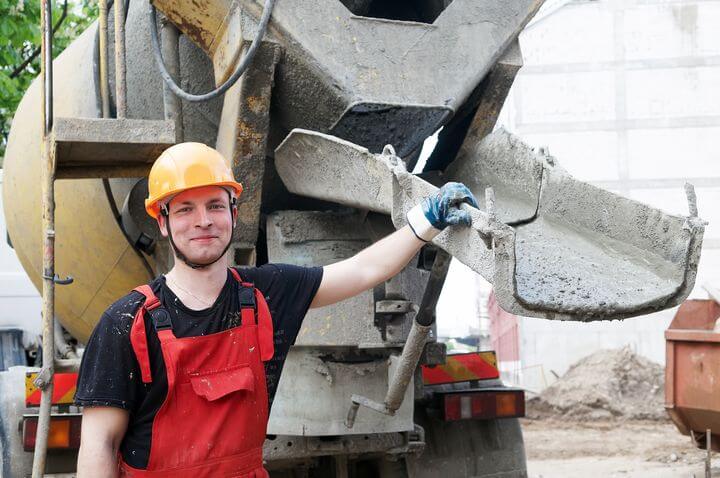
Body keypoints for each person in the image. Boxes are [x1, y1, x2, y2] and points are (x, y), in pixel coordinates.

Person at [74, 142, 478, 477]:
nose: (203, 221)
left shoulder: (266, 294)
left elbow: (363, 269)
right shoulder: (127, 323)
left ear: (234, 212)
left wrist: (426, 220)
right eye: (184, 209)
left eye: (215, 205)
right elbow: (100, 445)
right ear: (162, 222)